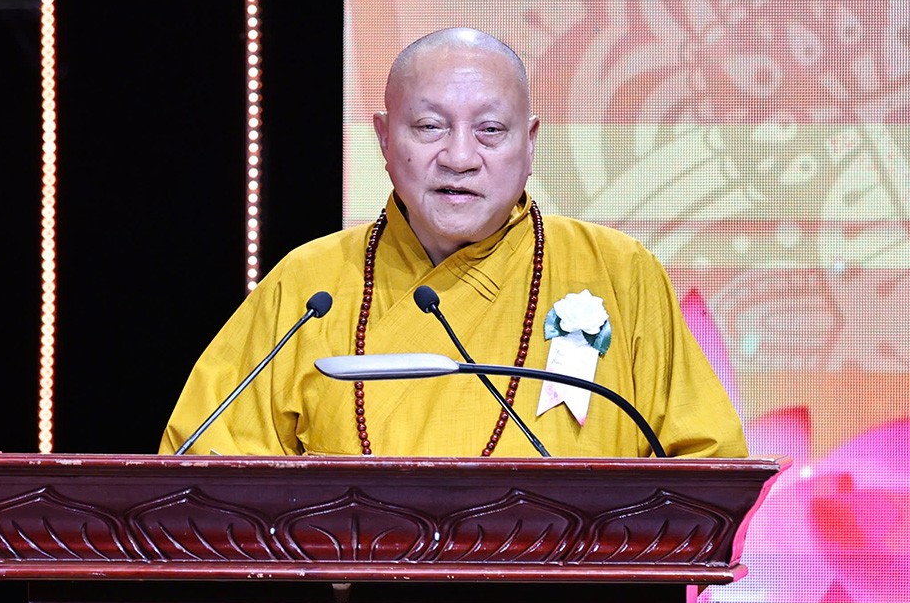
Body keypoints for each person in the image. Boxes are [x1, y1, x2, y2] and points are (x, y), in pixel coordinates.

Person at [160, 28, 747, 458]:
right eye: (429, 127)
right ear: (384, 139)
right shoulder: (310, 285)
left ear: (530, 143)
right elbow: (205, 468)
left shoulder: (618, 272)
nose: (460, 157)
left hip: (573, 595)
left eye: (490, 130)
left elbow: (708, 465)